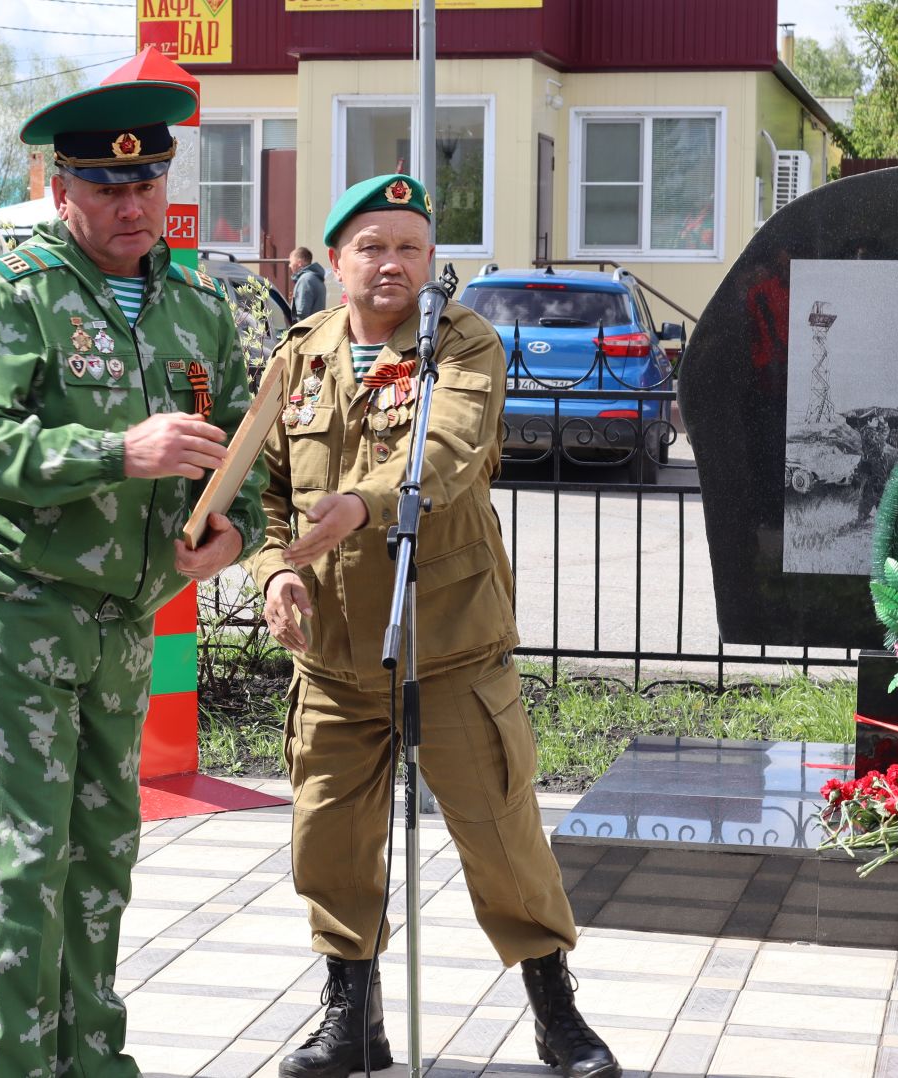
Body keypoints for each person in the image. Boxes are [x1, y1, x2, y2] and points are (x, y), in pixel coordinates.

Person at [245, 174, 620, 1078]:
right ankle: (351, 1017)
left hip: (448, 640)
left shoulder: (463, 343)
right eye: (371, 247)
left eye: (409, 247)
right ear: (334, 264)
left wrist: (359, 507)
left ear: (430, 261)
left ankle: (553, 1010)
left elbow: (446, 454)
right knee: (330, 837)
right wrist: (270, 575)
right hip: (333, 654)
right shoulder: (296, 360)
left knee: (499, 830)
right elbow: (261, 494)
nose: (392, 264)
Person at [0, 76, 267, 1078]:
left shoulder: (199, 307)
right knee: (24, 862)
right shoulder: (15, 294)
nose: (131, 204)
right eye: (104, 185)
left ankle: (94, 1060)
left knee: (102, 858)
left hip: (128, 619)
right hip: (19, 612)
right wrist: (115, 450)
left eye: (146, 180)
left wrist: (235, 532)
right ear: (59, 188)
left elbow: (244, 443)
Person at [289, 245, 327, 322]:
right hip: (315, 328)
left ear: (299, 263)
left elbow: (301, 314)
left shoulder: (305, 280)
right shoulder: (316, 278)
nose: (290, 265)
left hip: (305, 331)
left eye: (291, 262)